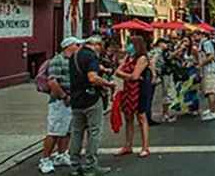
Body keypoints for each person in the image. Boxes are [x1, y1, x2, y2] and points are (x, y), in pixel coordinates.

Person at [68, 35, 118, 176]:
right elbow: (92, 77)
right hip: (90, 98)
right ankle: (91, 165)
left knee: (77, 132)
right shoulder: (92, 57)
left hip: (76, 99)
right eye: (100, 47)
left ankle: (74, 165)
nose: (100, 50)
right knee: (94, 132)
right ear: (96, 45)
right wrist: (108, 84)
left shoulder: (75, 56)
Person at [39, 37, 81, 174]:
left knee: (67, 130)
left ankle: (62, 154)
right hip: (59, 101)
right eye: (77, 44)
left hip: (70, 99)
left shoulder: (73, 61)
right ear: (69, 46)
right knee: (55, 130)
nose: (79, 46)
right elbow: (53, 82)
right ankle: (45, 159)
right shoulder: (58, 61)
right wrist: (63, 96)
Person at [112, 36, 152, 157]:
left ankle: (145, 147)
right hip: (128, 89)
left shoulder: (142, 58)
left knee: (141, 117)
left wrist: (126, 75)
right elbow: (117, 72)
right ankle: (128, 145)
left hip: (139, 90)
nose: (127, 47)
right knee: (128, 117)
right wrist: (127, 76)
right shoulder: (129, 57)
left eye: (130, 44)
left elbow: (135, 76)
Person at [198, 32, 215, 121]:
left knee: (210, 91)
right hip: (208, 70)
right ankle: (211, 110)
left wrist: (201, 64)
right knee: (209, 91)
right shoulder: (205, 43)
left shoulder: (206, 43)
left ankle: (212, 112)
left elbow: (211, 56)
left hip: (209, 70)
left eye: (196, 34)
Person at [145, 38, 166, 126]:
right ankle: (147, 118)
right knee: (149, 97)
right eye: (165, 43)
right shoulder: (159, 51)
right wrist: (154, 75)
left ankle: (146, 117)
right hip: (150, 74)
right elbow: (153, 62)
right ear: (160, 44)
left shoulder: (153, 50)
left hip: (147, 73)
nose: (167, 45)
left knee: (147, 97)